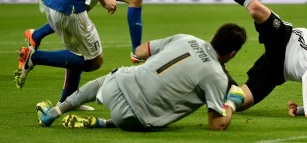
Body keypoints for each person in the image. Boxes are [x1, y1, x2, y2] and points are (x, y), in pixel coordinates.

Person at [35, 23, 247, 131]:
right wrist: (232, 103)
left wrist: (141, 57)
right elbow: (216, 124)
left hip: (115, 87)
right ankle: (105, 123)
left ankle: (55, 111)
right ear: (233, 54)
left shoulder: (186, 38)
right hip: (136, 120)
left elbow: (141, 51)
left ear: (214, 36)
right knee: (154, 109)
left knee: (112, 77)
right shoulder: (217, 76)